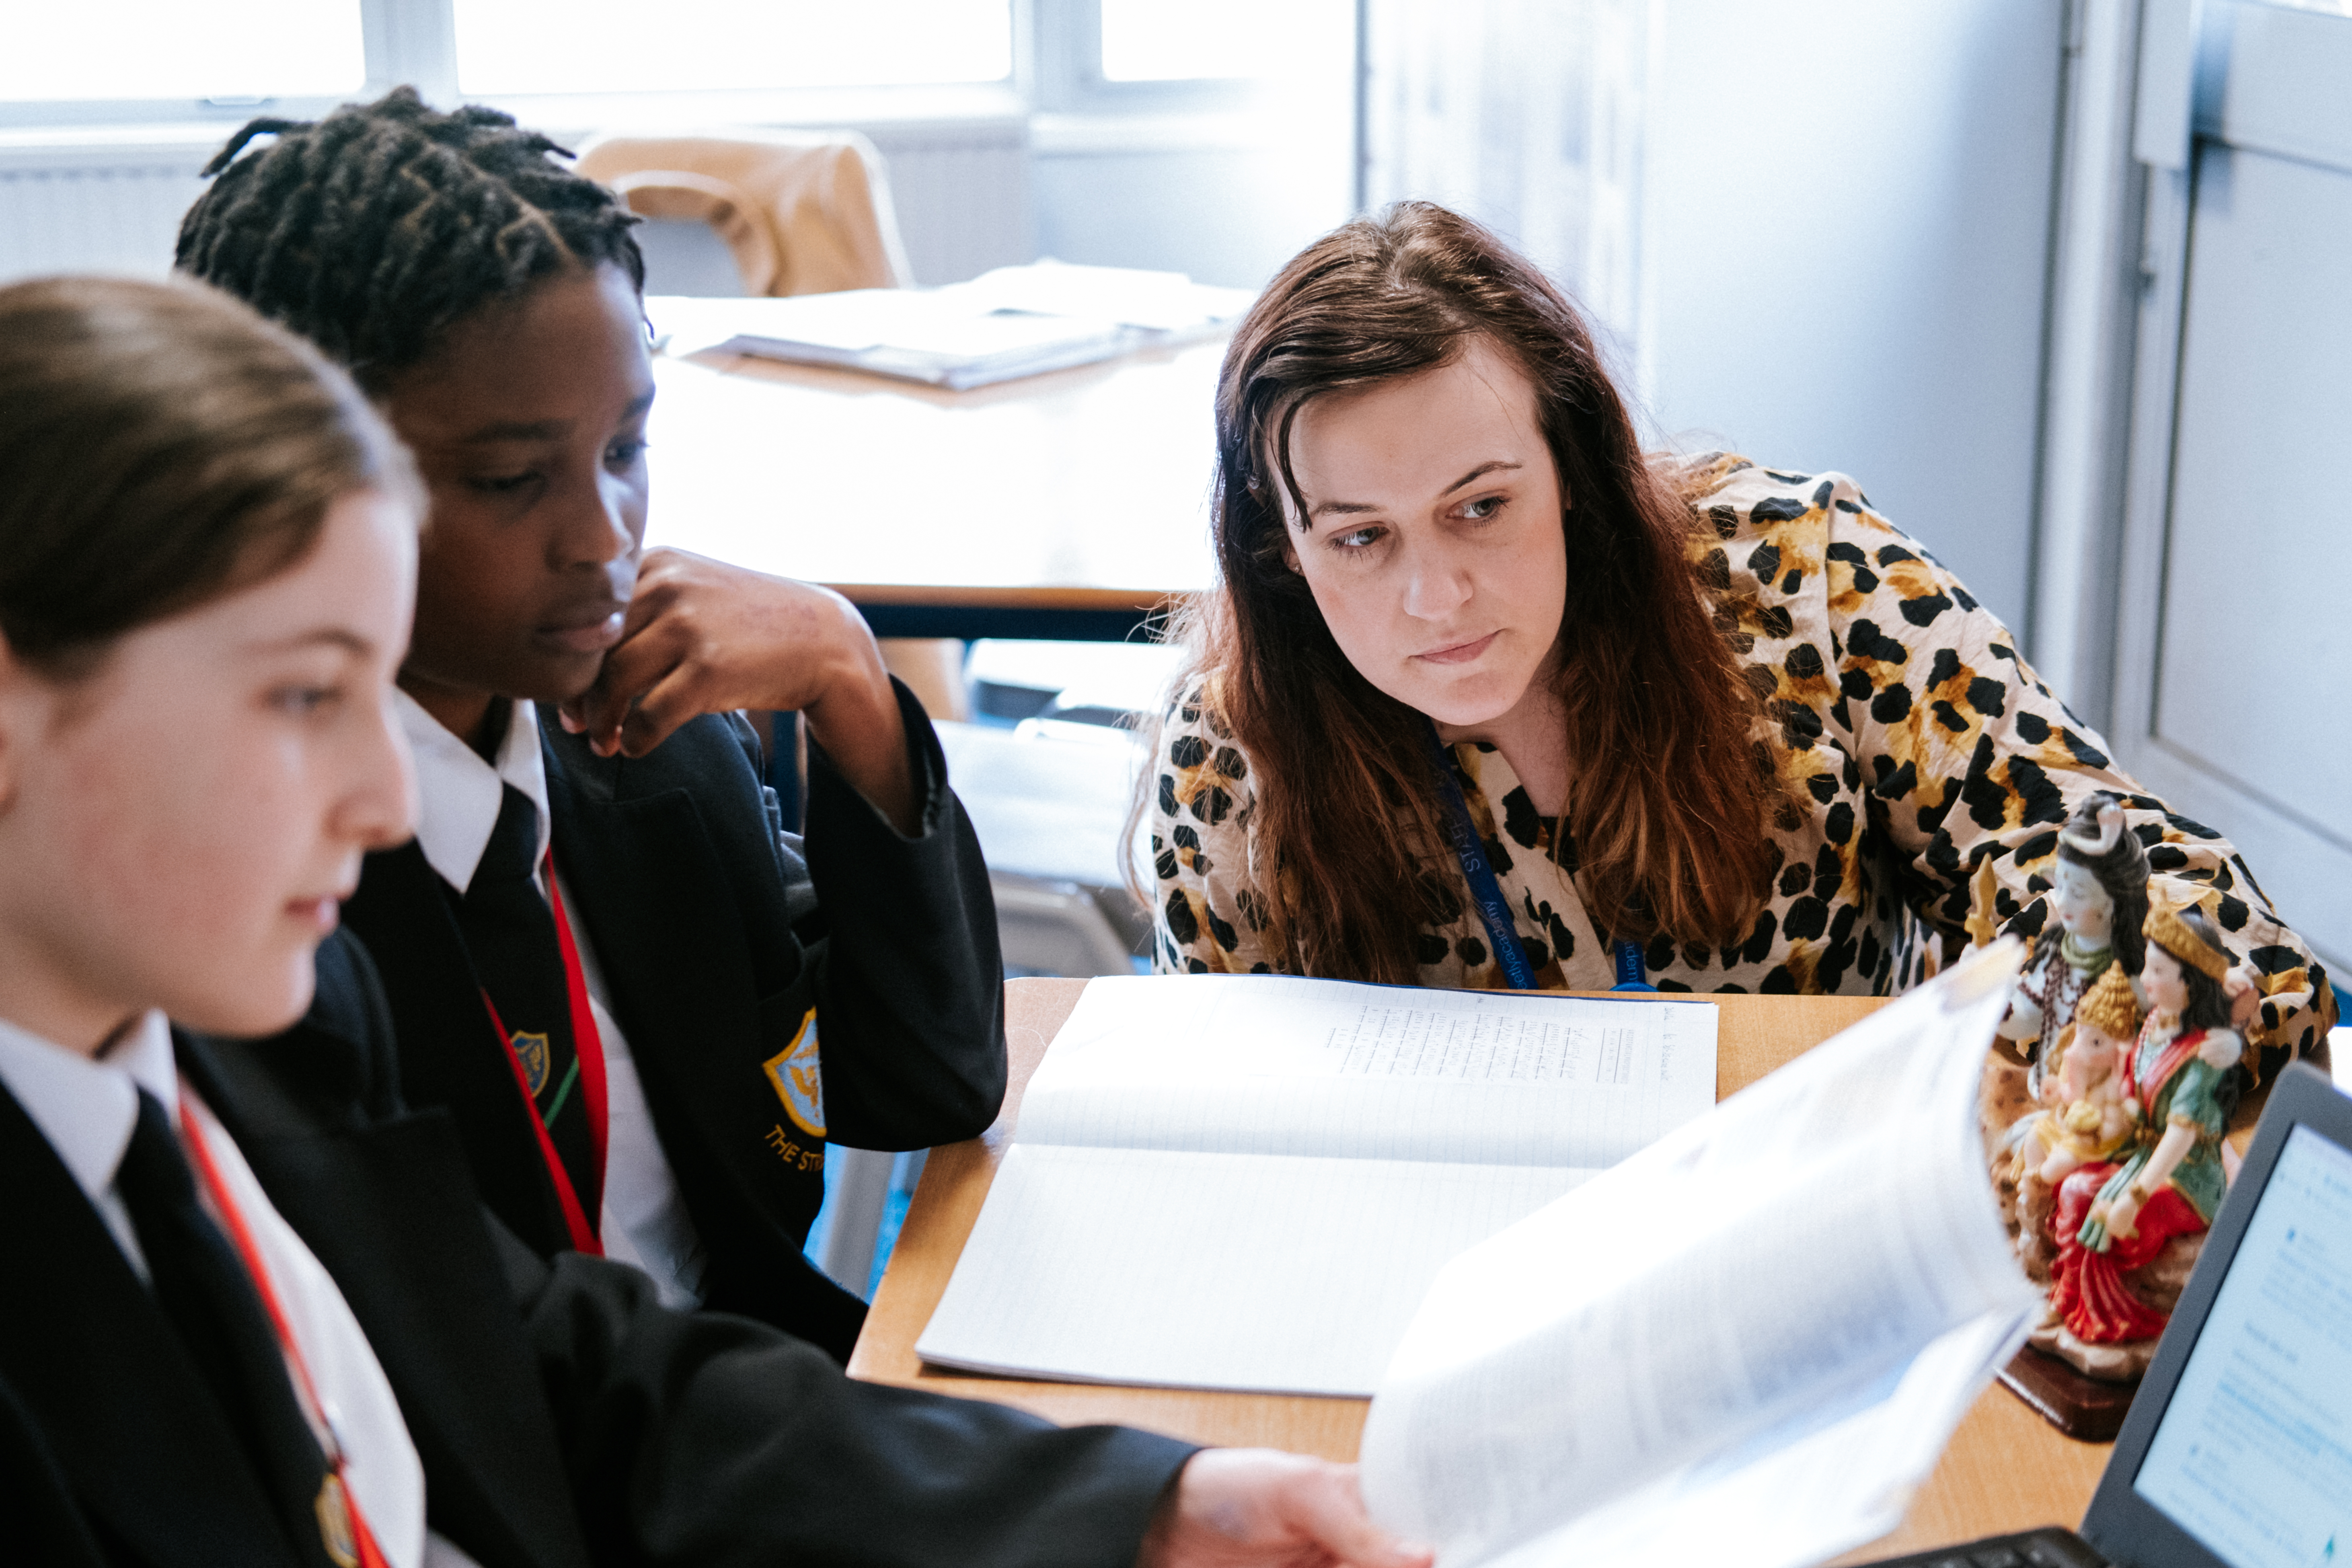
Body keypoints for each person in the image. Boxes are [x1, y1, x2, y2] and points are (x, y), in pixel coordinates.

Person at [0, 273, 1426, 1568]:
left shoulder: (209, 1044)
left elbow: (545, 1369)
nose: (385, 797)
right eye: (305, 697)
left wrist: (1149, 1510)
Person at [175, 89, 1004, 1358]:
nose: (606, 537)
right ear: (288, 479)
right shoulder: (242, 893)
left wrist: (850, 677)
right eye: (513, 479)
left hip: (746, 1398)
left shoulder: (642, 728)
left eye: (627, 446)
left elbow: (923, 1079)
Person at [1140, 201, 2334, 1076]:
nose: (1436, 596)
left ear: (1574, 474)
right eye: (1360, 538)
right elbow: (1227, 1118)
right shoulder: (1231, 755)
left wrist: (2084, 1010)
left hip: (1812, 1232)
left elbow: (2120, 873)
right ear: (1280, 552)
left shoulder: (1803, 578)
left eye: (1481, 507)